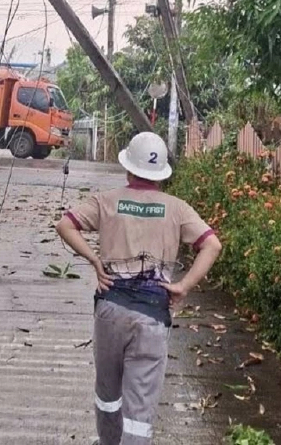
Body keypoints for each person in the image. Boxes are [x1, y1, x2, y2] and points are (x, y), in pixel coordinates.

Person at [54, 132, 222, 445]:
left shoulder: (106, 201)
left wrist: (94, 260)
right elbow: (211, 244)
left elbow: (65, 225)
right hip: (152, 317)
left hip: (110, 311)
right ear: (161, 175)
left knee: (108, 393)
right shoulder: (177, 208)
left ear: (128, 168)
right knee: (140, 407)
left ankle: (107, 442)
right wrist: (183, 286)